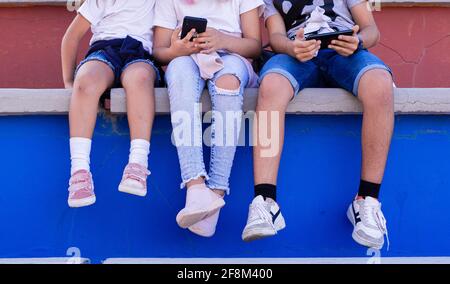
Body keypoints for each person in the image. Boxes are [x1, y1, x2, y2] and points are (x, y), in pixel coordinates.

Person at [242, 0, 393, 250]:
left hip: (345, 53)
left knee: (380, 84)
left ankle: (367, 200)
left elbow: (371, 30)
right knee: (270, 86)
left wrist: (358, 42)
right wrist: (291, 47)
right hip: (296, 55)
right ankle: (265, 200)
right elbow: (276, 35)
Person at [153, 0, 264, 237]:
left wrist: (223, 40)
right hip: (186, 59)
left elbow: (255, 47)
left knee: (228, 83)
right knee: (180, 75)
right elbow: (159, 52)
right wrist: (176, 50)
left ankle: (216, 193)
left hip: (233, 57)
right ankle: (195, 187)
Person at [61, 0, 159, 208]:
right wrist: (69, 80)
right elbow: (71, 37)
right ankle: (79, 172)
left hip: (140, 55)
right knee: (86, 81)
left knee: (139, 78)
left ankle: (138, 164)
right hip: (104, 52)